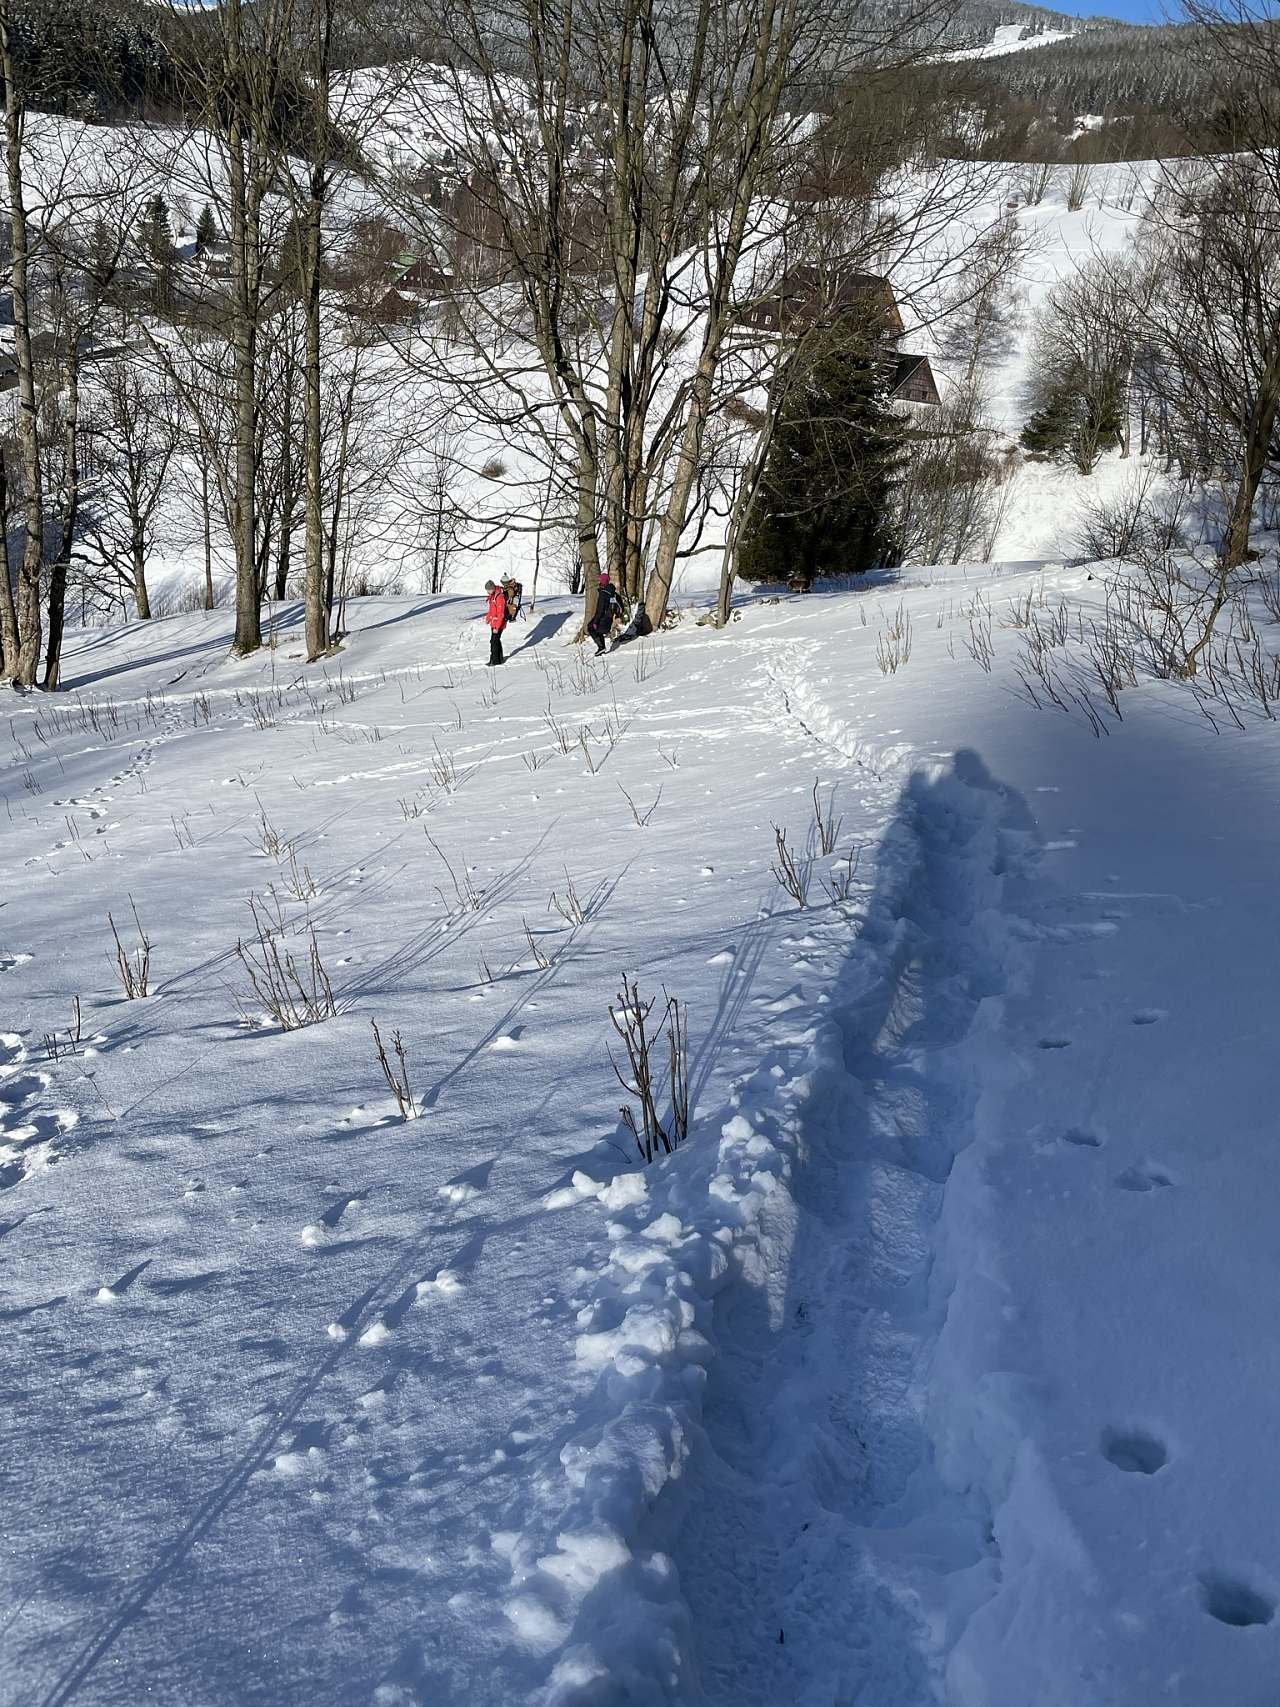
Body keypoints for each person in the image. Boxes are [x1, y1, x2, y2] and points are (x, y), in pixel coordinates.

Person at [587, 571, 619, 655]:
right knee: (597, 631)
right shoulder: (613, 593)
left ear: (603, 581)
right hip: (609, 620)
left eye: (600, 580)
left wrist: (595, 621)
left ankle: (601, 647)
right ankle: (602, 648)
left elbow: (600, 610)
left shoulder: (603, 593)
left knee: (591, 628)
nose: (599, 581)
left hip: (603, 620)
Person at [484, 578, 507, 666]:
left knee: (494, 641)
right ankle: (499, 659)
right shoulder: (492, 596)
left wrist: (497, 627)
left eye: (488, 590)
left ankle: (495, 661)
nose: (487, 592)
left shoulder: (499, 597)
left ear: (492, 588)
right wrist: (488, 618)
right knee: (495, 640)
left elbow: (501, 614)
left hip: (499, 623)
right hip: (494, 622)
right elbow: (492, 610)